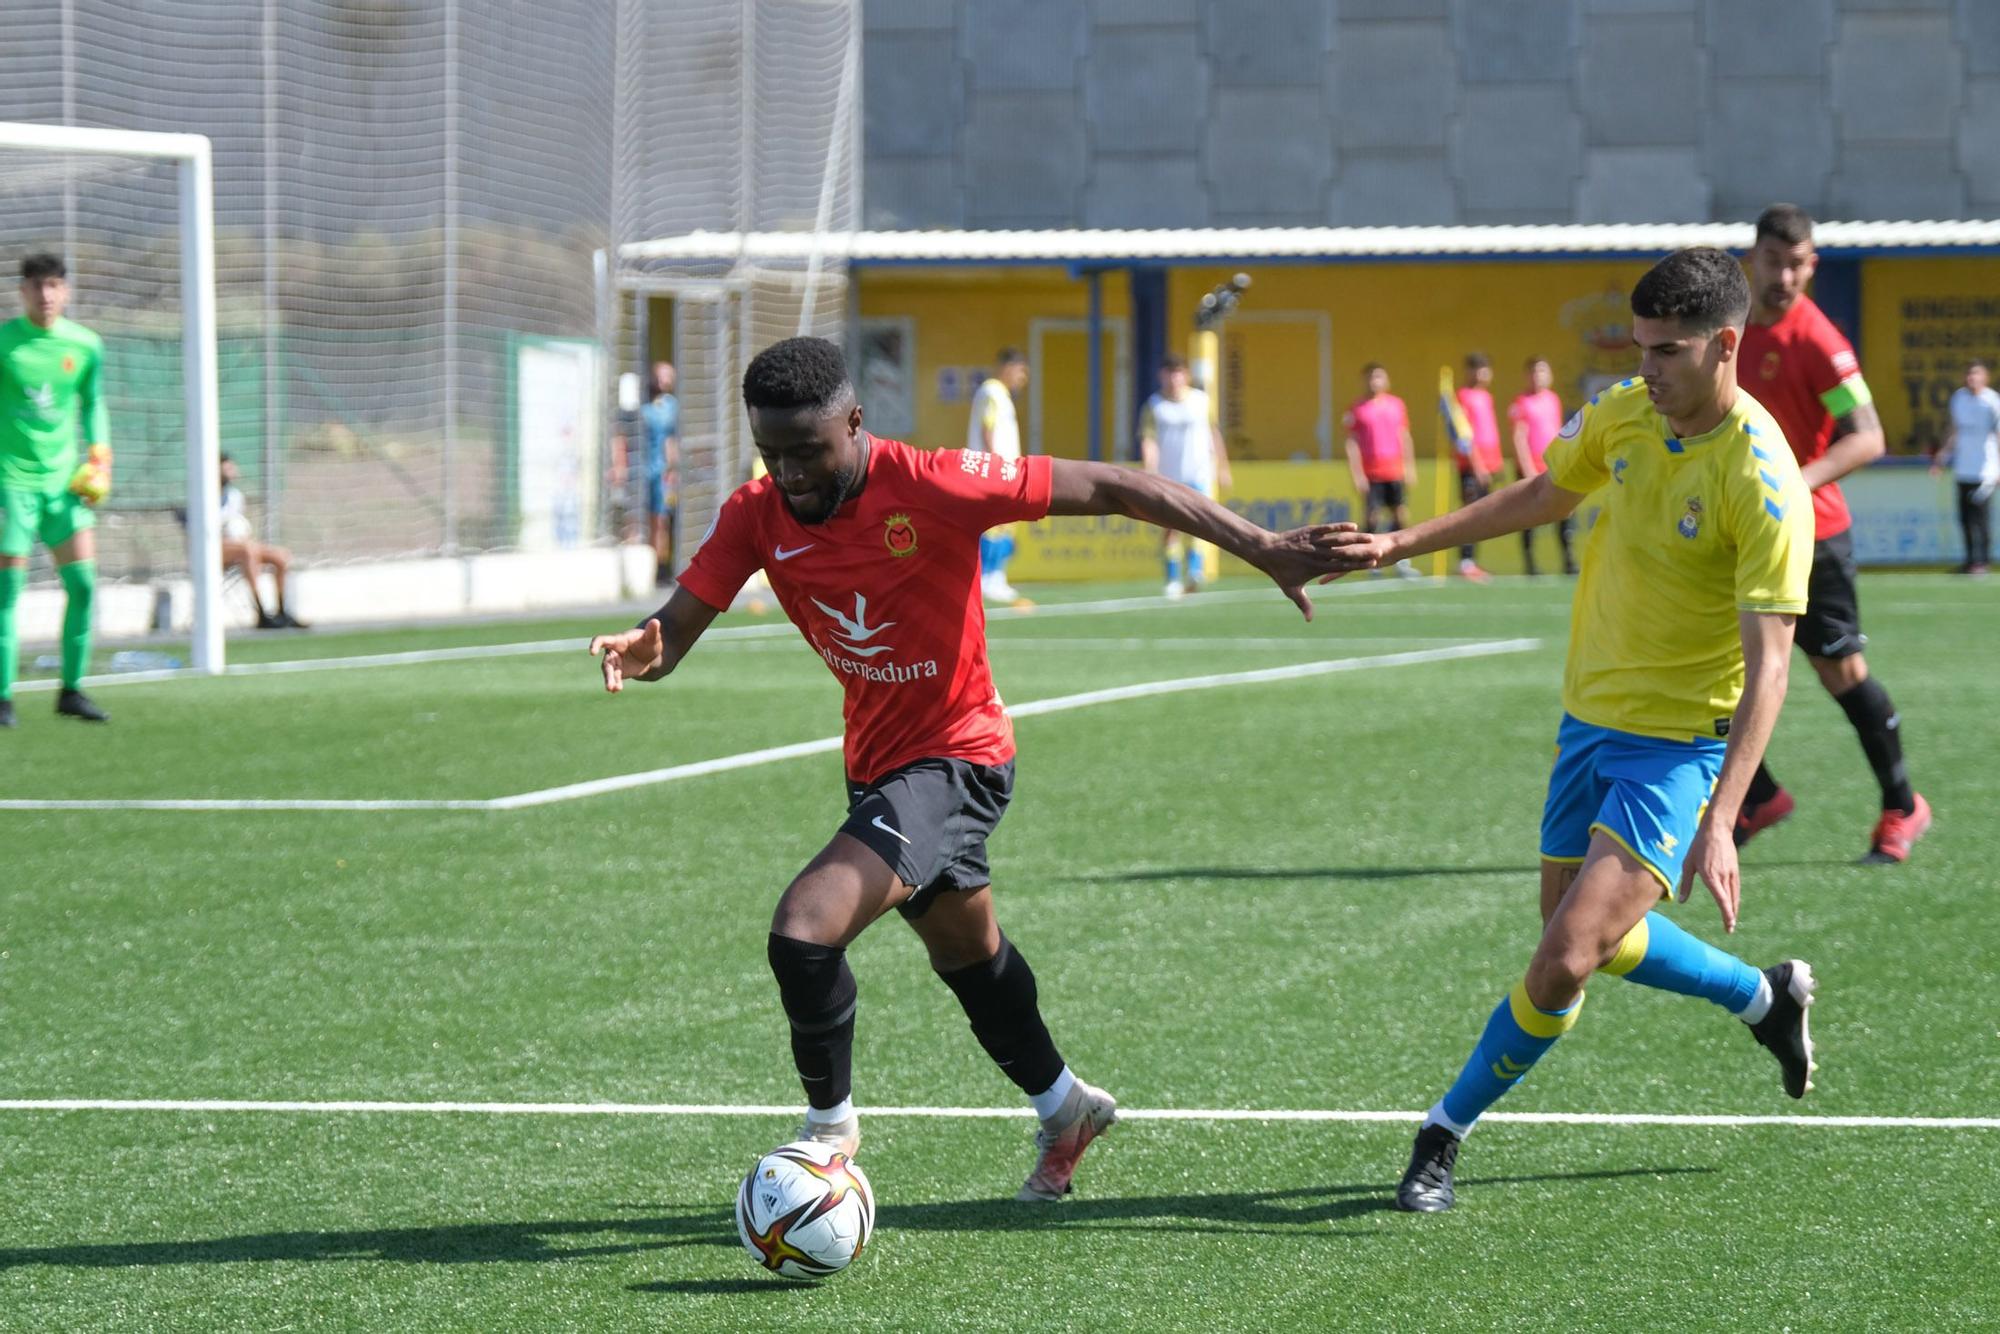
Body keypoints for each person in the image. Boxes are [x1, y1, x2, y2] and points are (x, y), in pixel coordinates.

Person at [589, 337, 1346, 1201]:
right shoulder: (756, 514)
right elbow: (675, 632)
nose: (791, 473)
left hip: (959, 757)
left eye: (808, 452)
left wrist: (1261, 546)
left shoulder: (935, 482)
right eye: (773, 453)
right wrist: (648, 645)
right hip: (878, 768)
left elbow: (1113, 485)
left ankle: (828, 1134)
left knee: (804, 929)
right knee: (969, 957)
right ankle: (1066, 1109)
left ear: (856, 422)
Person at [1317, 248, 1818, 1213]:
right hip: (1586, 722)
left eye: (1668, 351)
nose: (1648, 368)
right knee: (1586, 938)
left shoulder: (1762, 480)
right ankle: (1765, 998)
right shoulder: (1629, 411)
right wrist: (1399, 541)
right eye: (1640, 349)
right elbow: (1545, 493)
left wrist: (1719, 817)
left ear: (1726, 346)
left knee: (1562, 960)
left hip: (1675, 747)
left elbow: (1773, 667)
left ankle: (1441, 1132)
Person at [1735, 203, 1930, 864]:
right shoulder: (1728, 333)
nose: (1784, 276)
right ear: (1751, 260)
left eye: (1797, 265)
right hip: (1742, 532)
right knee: (1712, 668)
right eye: (1773, 261)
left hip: (1814, 536)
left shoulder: (1819, 341)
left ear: (1811, 266)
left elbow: (1868, 436)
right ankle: (1757, 796)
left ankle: (1903, 806)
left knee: (1839, 671)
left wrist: (1795, 480)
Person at [0, 253, 110, 728]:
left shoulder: (85, 346)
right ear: (22, 291)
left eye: (53, 286)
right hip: (12, 486)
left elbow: (94, 405)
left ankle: (71, 690)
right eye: (36, 286)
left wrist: (100, 461)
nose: (45, 295)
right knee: (8, 591)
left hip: (64, 487)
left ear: (65, 291)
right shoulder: (5, 343)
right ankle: (2, 699)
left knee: (83, 586)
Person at [1139, 354, 1232, 598]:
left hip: (1199, 473)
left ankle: (1194, 569)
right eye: (1169, 373)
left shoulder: (1201, 401)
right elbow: (1149, 440)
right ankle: (1171, 578)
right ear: (1161, 375)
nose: (1174, 378)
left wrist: (1223, 467)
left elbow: (1214, 434)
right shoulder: (1154, 405)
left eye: (1178, 372)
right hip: (1169, 476)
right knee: (1170, 528)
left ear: (1186, 375)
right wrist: (1149, 471)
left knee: (1201, 522)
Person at [966, 348, 1030, 607]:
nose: (1023, 377)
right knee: (993, 524)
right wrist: (996, 464)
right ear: (1008, 367)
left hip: (1004, 469)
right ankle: (989, 578)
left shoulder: (1001, 394)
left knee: (1005, 523)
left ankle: (997, 577)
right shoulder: (992, 391)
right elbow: (988, 428)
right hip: (994, 470)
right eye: (1021, 370)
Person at [1343, 363, 1418, 577]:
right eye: (1370, 378)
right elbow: (1352, 443)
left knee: (1400, 514)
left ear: (1386, 380)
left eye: (1379, 377)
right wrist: (1357, 474)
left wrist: (1409, 467)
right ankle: (1370, 562)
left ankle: (1402, 560)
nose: (1374, 381)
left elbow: (1404, 437)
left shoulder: (1396, 405)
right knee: (1372, 517)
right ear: (1364, 381)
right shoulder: (1356, 409)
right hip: (1371, 473)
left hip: (1394, 470)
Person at [218, 453, 305, 629]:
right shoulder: (204, 496)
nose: (232, 471)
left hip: (240, 545)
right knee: (248, 551)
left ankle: (281, 612)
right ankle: (261, 613)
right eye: (227, 468)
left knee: (281, 556)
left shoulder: (235, 496)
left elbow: (239, 528)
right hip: (216, 548)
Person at [1508, 356, 1576, 576]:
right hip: (1531, 466)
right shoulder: (1521, 402)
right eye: (1535, 372)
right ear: (1527, 375)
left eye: (1543, 371)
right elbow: (1519, 437)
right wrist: (1527, 467)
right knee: (1528, 517)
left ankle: (1568, 561)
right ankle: (1530, 564)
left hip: (1553, 465)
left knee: (1565, 511)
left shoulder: (1553, 399)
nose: (1539, 376)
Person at [1936, 358, 1999, 575]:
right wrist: (1942, 456)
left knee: (1980, 518)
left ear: (1985, 377)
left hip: (1986, 470)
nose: (1972, 378)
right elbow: (1953, 429)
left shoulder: (1992, 401)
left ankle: (1982, 561)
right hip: (1963, 468)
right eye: (1969, 374)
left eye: (1977, 374)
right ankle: (1970, 560)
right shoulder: (1959, 398)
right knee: (1963, 518)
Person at [1452, 353, 1503, 583]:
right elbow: (1465, 436)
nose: (1481, 373)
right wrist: (1477, 465)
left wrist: (1495, 463)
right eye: (1476, 369)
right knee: (1470, 513)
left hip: (1490, 464)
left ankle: (1472, 561)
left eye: (1485, 369)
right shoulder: (1462, 396)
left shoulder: (1486, 397)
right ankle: (1465, 561)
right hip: (1472, 466)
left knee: (1482, 515)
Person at [640, 362, 680, 587]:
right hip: (641, 470)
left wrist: (672, 469)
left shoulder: (671, 407)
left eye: (667, 377)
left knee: (660, 519)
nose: (662, 381)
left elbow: (671, 440)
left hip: (660, 472)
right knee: (638, 521)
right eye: (659, 376)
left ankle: (660, 567)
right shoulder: (641, 405)